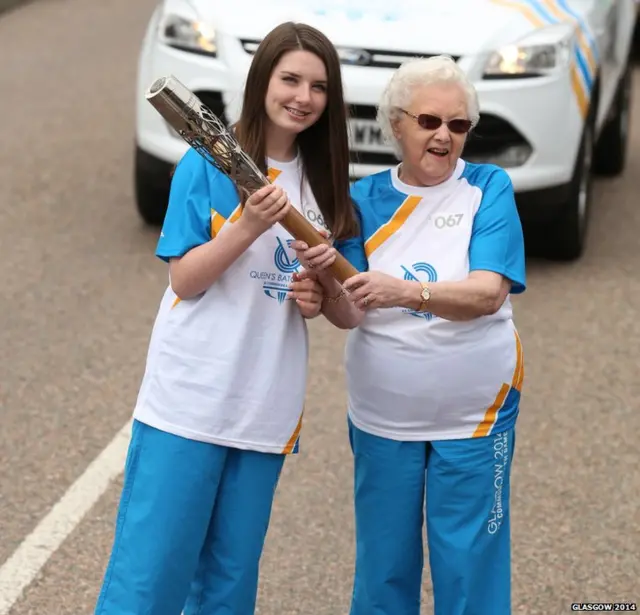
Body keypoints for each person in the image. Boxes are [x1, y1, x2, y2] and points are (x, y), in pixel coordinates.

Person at [93, 21, 360, 615]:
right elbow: (185, 280)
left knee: (228, 587)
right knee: (150, 579)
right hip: (188, 401)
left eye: (318, 87)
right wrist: (248, 226)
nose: (302, 97)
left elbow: (349, 311)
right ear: (262, 80)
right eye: (289, 79)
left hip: (264, 410)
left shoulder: (330, 182)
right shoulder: (207, 162)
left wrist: (321, 291)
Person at [293, 55, 526, 615]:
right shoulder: (361, 201)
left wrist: (407, 292)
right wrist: (322, 285)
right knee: (384, 571)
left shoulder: (487, 188)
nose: (444, 137)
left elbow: (487, 294)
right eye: (428, 122)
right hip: (384, 417)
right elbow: (349, 314)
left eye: (458, 125)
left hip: (476, 414)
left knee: (470, 571)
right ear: (396, 123)